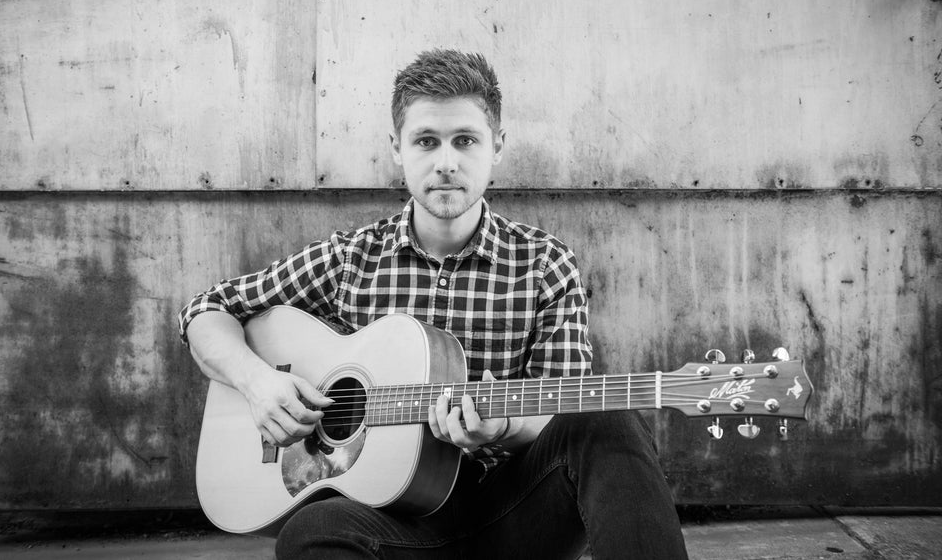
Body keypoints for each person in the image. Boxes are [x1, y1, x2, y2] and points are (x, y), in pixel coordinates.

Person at [178, 49, 688, 559]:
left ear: (497, 146)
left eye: (465, 140)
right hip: (392, 526)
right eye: (426, 141)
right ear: (396, 148)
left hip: (513, 517)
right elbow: (206, 311)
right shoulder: (351, 258)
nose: (446, 162)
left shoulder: (544, 264)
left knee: (607, 418)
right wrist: (258, 382)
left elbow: (561, 416)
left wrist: (504, 427)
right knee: (310, 530)